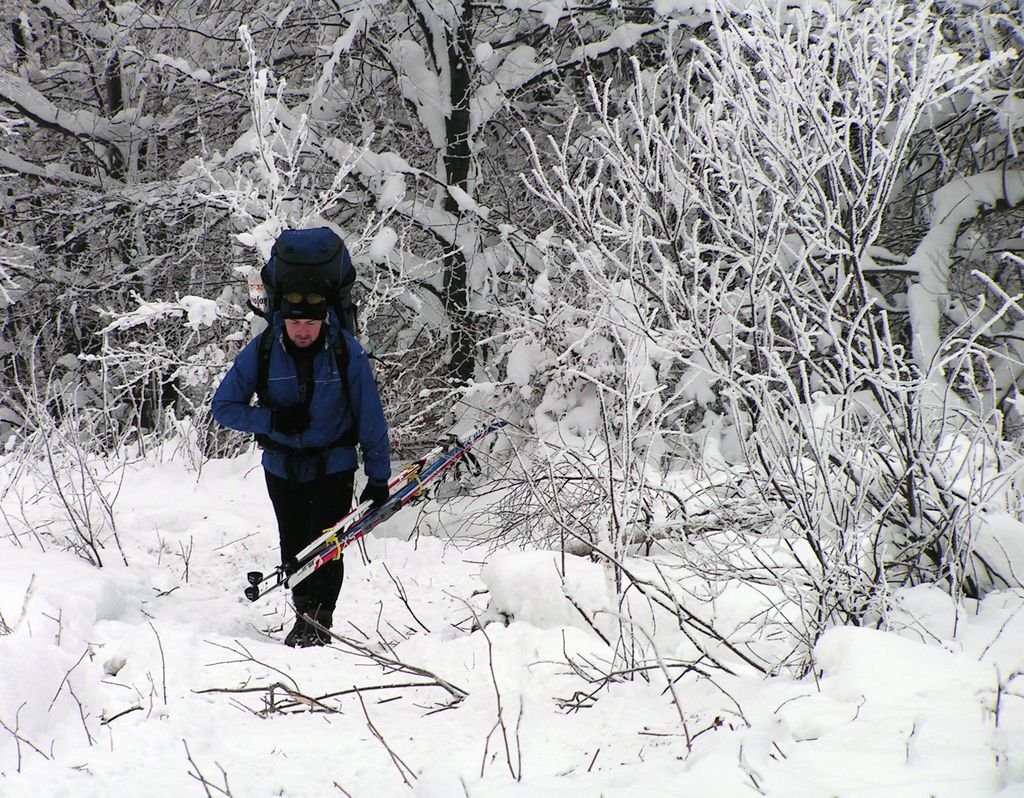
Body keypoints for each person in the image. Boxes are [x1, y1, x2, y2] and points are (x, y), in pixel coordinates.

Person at [212, 285, 391, 647]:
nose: (304, 330)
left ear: (323, 319)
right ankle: (303, 615)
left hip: (334, 463)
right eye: (296, 323)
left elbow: (370, 413)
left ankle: (319, 621)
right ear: (283, 320)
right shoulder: (263, 350)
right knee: (294, 544)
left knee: (328, 543)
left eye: (311, 322)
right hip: (282, 466)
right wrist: (272, 421)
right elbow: (224, 406)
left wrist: (379, 475)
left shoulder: (344, 350)